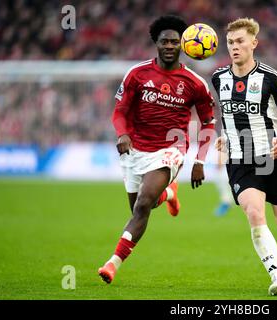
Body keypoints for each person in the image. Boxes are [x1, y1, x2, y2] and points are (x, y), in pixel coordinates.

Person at [98, 15, 215, 284]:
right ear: (156, 43)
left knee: (142, 205)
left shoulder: (195, 82)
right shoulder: (137, 74)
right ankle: (169, 194)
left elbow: (209, 123)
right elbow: (120, 111)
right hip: (135, 150)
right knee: (141, 208)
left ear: (184, 45)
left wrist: (199, 161)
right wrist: (123, 134)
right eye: (165, 41)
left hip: (171, 149)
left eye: (175, 41)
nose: (170, 46)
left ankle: (112, 263)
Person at [211, 18, 277, 296]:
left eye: (240, 41)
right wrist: (227, 136)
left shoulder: (271, 78)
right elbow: (229, 115)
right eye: (231, 42)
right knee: (254, 213)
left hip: (272, 157)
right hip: (240, 159)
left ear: (253, 43)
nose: (235, 47)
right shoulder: (219, 78)